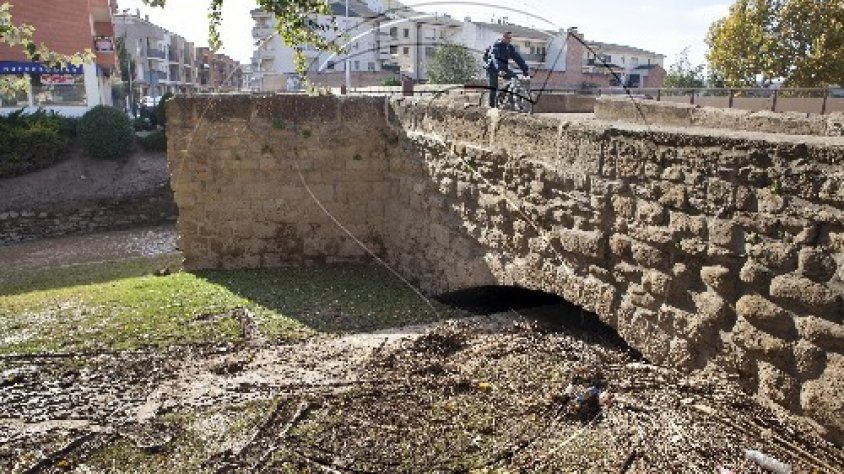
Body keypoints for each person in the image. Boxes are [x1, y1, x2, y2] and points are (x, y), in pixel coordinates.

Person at [484, 31, 529, 108]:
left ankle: (507, 97)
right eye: (507, 38)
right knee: (493, 88)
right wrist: (500, 70)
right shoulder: (496, 46)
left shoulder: (509, 47)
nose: (509, 40)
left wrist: (525, 70)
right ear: (503, 37)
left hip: (503, 68)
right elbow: (496, 60)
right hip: (492, 69)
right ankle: (491, 107)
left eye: (510, 38)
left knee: (514, 78)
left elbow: (517, 58)